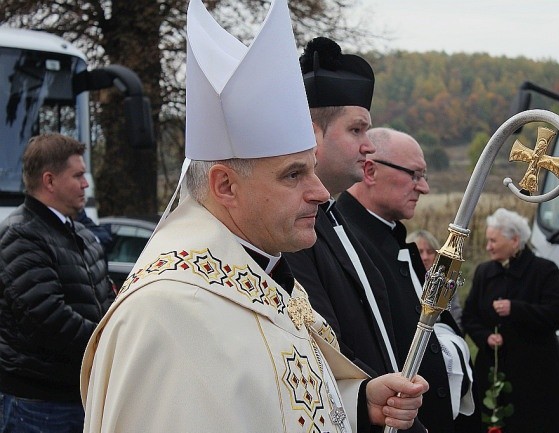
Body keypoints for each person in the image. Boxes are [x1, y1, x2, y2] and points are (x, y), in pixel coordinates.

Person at [80, 1, 427, 432]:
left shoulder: (264, 276)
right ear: (225, 186)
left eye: (313, 169)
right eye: (293, 175)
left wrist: (357, 402)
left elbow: (275, 397)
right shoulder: (163, 313)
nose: (319, 192)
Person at [337, 127, 478, 433]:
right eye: (414, 174)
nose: (423, 187)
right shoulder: (344, 244)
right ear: (370, 171)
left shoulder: (387, 235)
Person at [285, 37, 401, 381]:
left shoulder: (335, 215)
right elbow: (325, 346)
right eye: (356, 129)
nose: (369, 145)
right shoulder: (291, 229)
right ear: (310, 132)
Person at [0, 133, 114, 432]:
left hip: (77, 396)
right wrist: (109, 344)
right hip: (39, 404)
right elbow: (47, 317)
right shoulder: (20, 235)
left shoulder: (82, 235)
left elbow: (104, 299)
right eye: (77, 175)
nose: (86, 184)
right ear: (49, 181)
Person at [462, 207, 559, 433]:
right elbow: (470, 316)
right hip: (494, 369)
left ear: (515, 240)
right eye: (487, 240)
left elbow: (558, 313)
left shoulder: (544, 270)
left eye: (493, 241)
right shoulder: (484, 272)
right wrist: (485, 337)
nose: (488, 247)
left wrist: (517, 309)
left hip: (536, 372)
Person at [406, 229, 463, 329]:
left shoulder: (446, 281)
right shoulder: (403, 282)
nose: (425, 257)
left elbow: (455, 316)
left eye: (430, 252)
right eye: (419, 252)